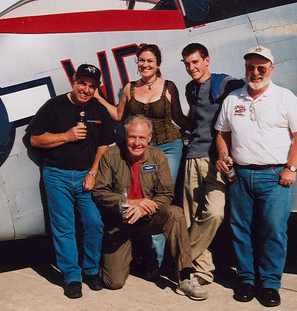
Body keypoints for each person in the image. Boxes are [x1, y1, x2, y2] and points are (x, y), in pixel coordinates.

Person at [214, 46, 297, 307]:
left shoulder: (285, 97)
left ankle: (269, 284)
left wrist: (291, 169)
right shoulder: (233, 99)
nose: (255, 73)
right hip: (241, 176)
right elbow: (222, 133)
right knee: (240, 229)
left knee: (274, 231)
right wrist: (223, 155)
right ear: (245, 68)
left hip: (275, 177)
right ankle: (246, 279)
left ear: (271, 69)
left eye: (261, 68)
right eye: (250, 67)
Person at [95, 43, 191, 277]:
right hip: (140, 148)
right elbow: (119, 115)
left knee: (158, 199)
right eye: (141, 61)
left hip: (169, 146)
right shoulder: (129, 88)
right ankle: (151, 259)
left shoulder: (168, 87)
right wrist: (98, 97)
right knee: (141, 197)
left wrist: (205, 126)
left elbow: (178, 117)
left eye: (150, 61)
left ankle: (157, 260)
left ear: (158, 64)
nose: (145, 65)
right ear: (137, 63)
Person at [92, 115, 208, 300]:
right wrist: (132, 203)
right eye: (132, 137)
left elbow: (167, 193)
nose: (137, 143)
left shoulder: (157, 156)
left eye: (142, 138)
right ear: (125, 136)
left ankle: (186, 276)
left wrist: (144, 209)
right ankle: (135, 255)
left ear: (149, 138)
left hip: (147, 218)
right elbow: (99, 191)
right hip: (120, 221)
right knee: (113, 282)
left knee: (175, 214)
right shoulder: (111, 155)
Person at [26, 64, 115, 299]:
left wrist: (94, 172)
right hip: (57, 175)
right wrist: (66, 136)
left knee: (94, 223)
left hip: (86, 176)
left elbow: (104, 144)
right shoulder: (54, 106)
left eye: (92, 86)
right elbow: (34, 139)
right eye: (82, 83)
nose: (86, 89)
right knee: (64, 228)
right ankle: (72, 277)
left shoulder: (98, 110)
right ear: (73, 81)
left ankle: (91, 270)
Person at [181, 43, 245, 285]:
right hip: (192, 156)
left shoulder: (227, 84)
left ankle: (183, 257)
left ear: (207, 60)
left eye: (195, 62)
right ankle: (204, 271)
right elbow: (193, 120)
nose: (191, 68)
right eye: (187, 64)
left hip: (216, 157)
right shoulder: (189, 88)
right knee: (190, 216)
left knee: (214, 213)